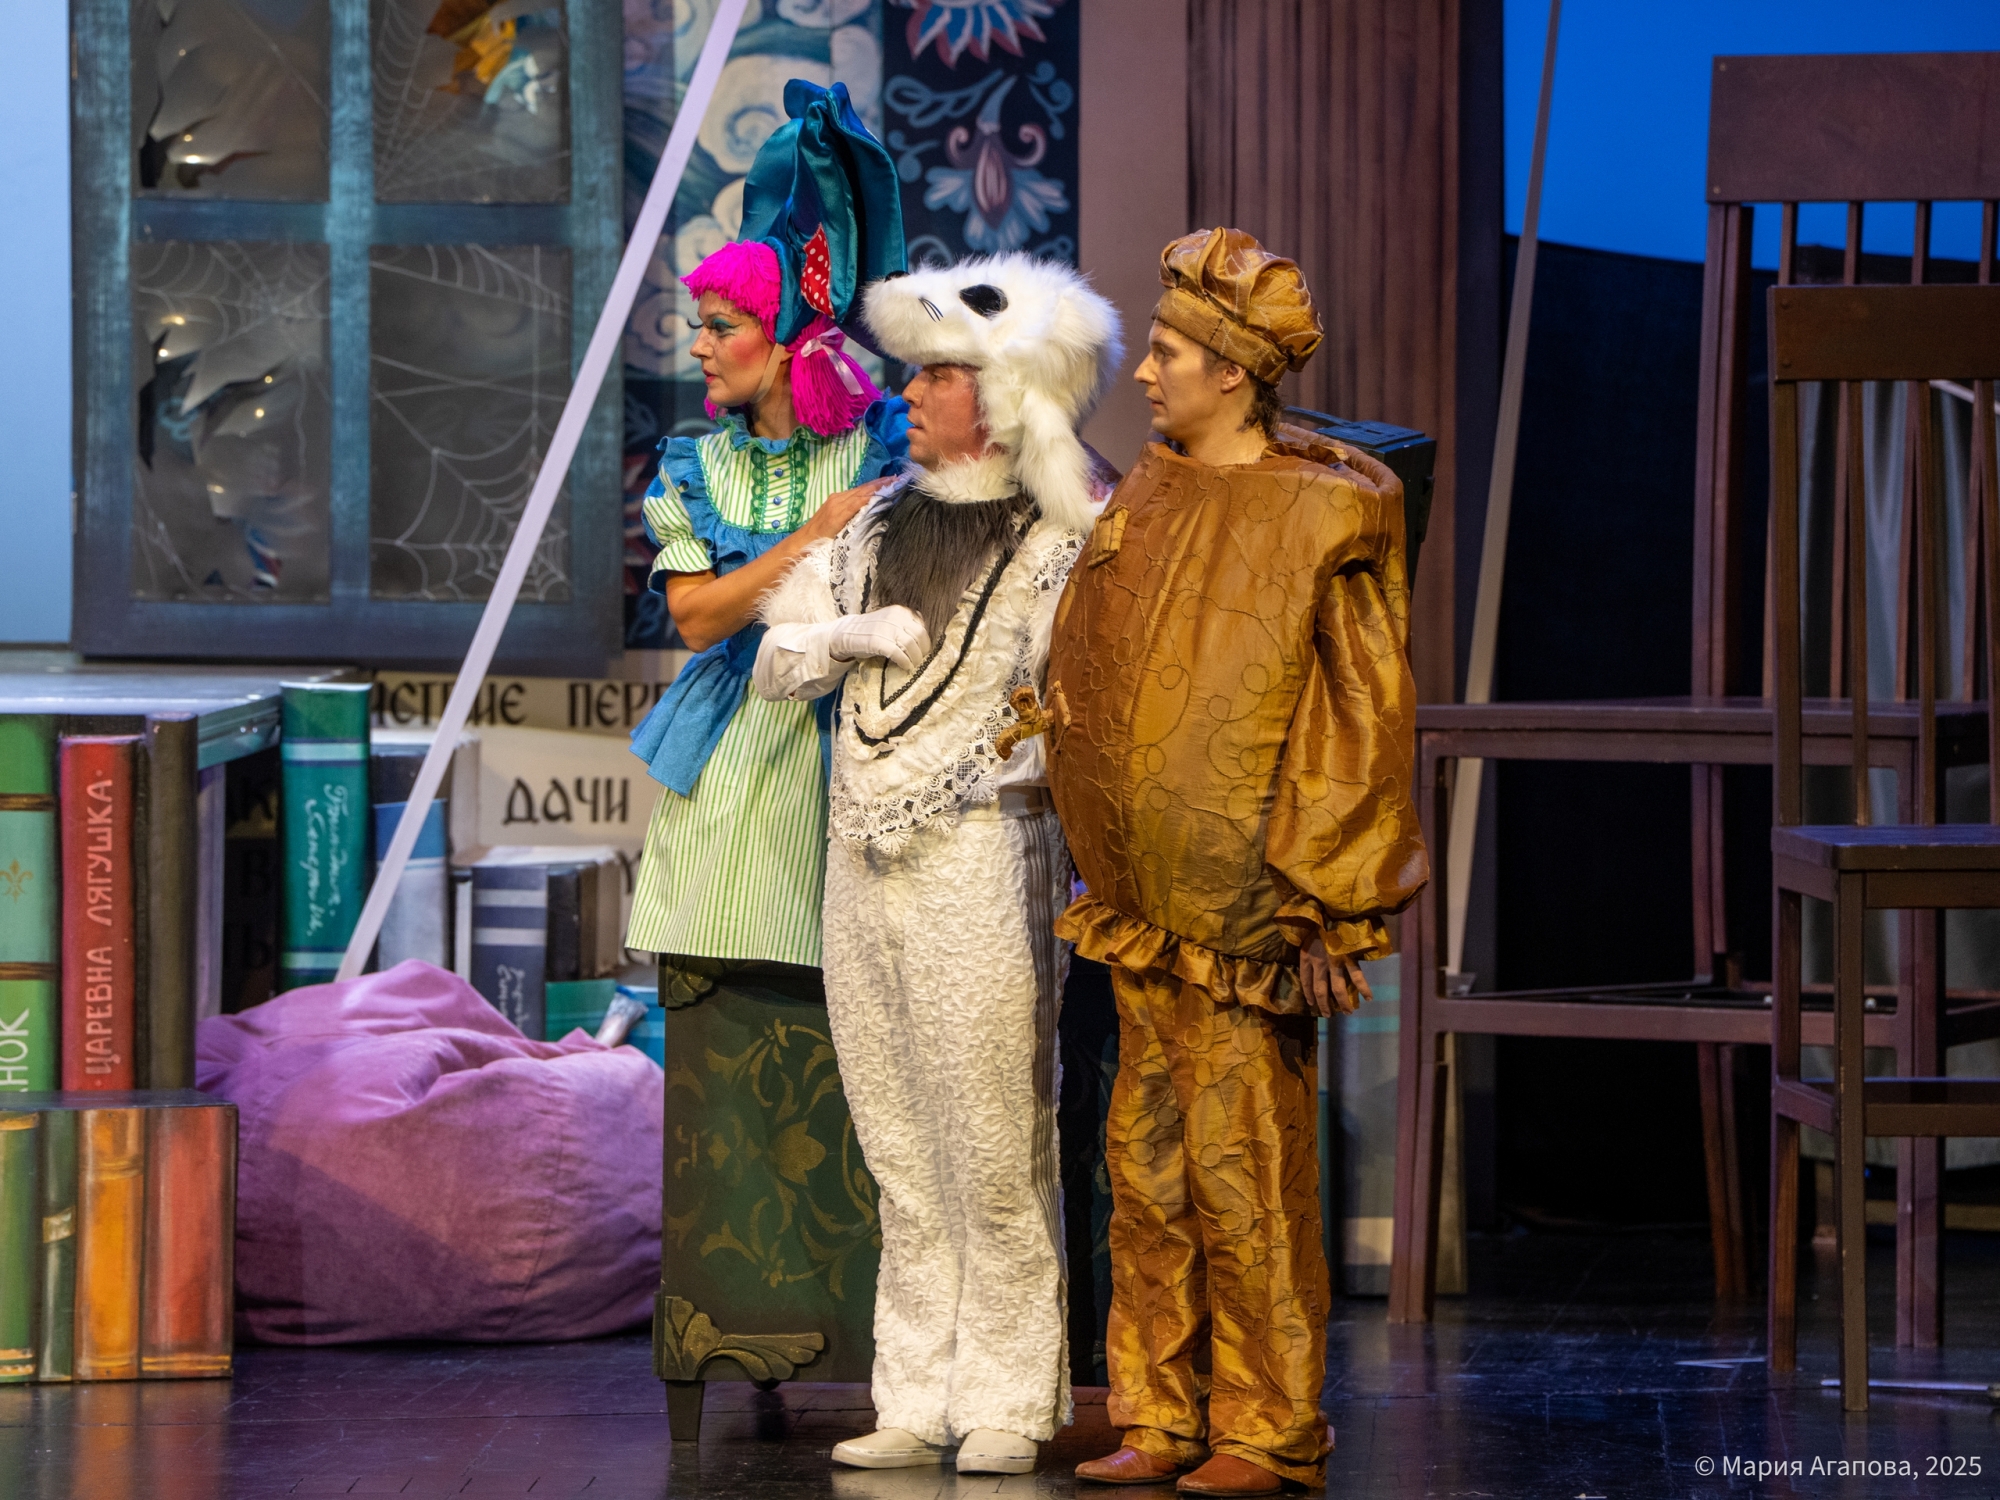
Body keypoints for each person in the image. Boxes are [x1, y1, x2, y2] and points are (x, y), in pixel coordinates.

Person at [1045, 228, 1429, 1497]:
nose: (1143, 372)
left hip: (1243, 908)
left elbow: (1357, 714)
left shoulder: (1320, 510)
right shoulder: (1152, 489)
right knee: (1146, 1170)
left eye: (1165, 351)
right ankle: (1158, 1408)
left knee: (1244, 1173)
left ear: (1230, 369)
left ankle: (1267, 1426)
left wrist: (1324, 896)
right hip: (1141, 898)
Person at [752, 253, 1122, 1477]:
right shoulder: (873, 524)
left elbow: (1072, 708)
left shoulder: (1062, 540)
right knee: (897, 1144)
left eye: (938, 375)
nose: (908, 393)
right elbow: (776, 662)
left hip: (980, 850)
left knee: (993, 1139)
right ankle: (912, 1390)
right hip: (859, 852)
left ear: (1003, 396)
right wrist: (852, 634)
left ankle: (1009, 1392)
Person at [625, 81, 905, 989]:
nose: (699, 346)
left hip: (854, 749)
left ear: (785, 337)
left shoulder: (882, 449)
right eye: (700, 327)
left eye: (723, 326)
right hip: (736, 768)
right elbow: (698, 620)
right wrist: (814, 535)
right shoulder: (694, 471)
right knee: (734, 1001)